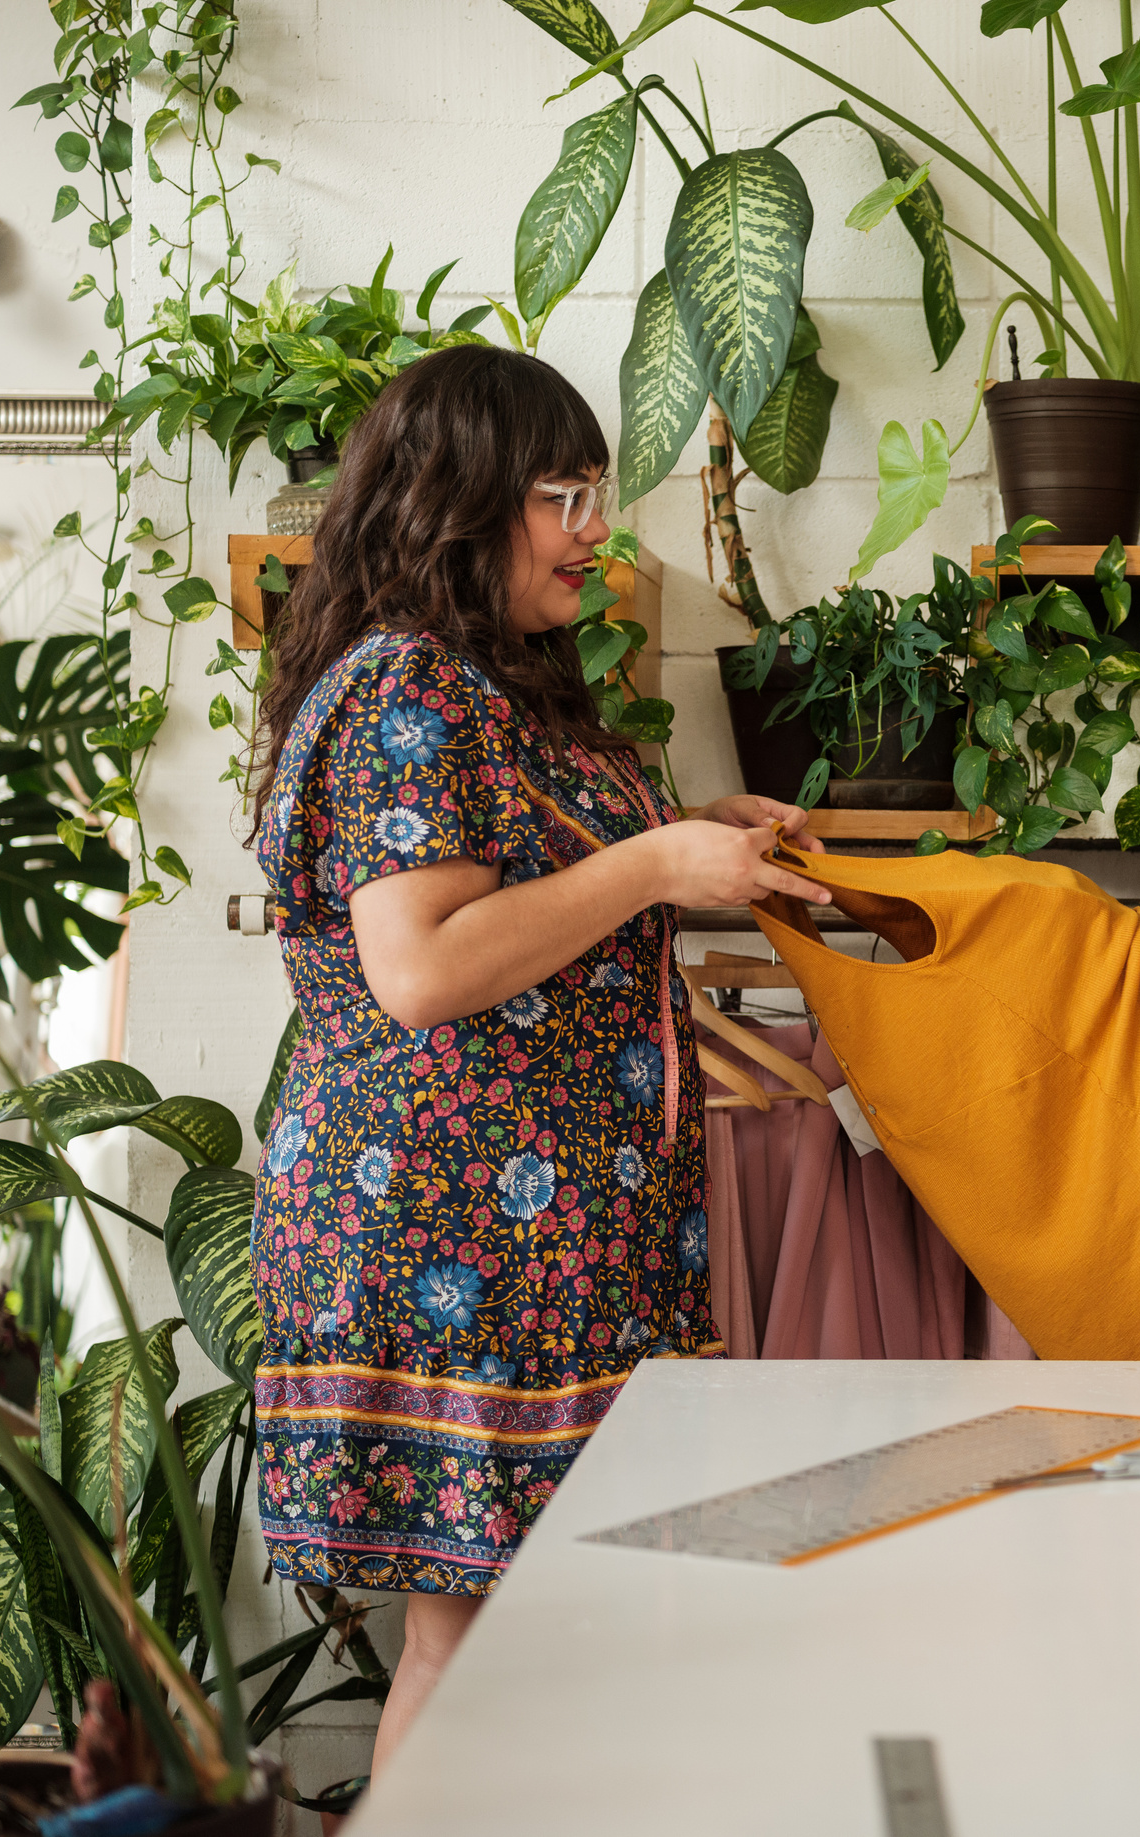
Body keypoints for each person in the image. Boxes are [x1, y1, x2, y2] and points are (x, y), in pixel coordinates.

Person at [245, 345, 830, 1772]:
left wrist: (695, 833)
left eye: (596, 494)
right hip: (460, 1238)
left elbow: (525, 892)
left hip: (542, 1240)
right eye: (560, 496)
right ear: (459, 503)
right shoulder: (406, 692)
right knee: (480, 1635)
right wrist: (652, 864)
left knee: (516, 1632)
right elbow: (426, 967)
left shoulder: (487, 685)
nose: (591, 530)